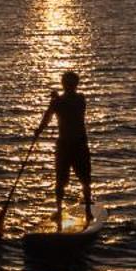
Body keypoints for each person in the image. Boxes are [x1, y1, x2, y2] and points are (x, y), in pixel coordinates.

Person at [40, 70, 92, 225]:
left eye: (71, 83)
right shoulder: (58, 102)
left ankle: (88, 210)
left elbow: (69, 108)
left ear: (75, 85)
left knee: (85, 179)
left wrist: (55, 100)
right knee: (60, 180)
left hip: (79, 145)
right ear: (63, 84)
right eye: (66, 83)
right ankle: (59, 210)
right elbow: (48, 116)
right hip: (63, 145)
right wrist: (39, 130)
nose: (69, 86)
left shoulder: (80, 99)